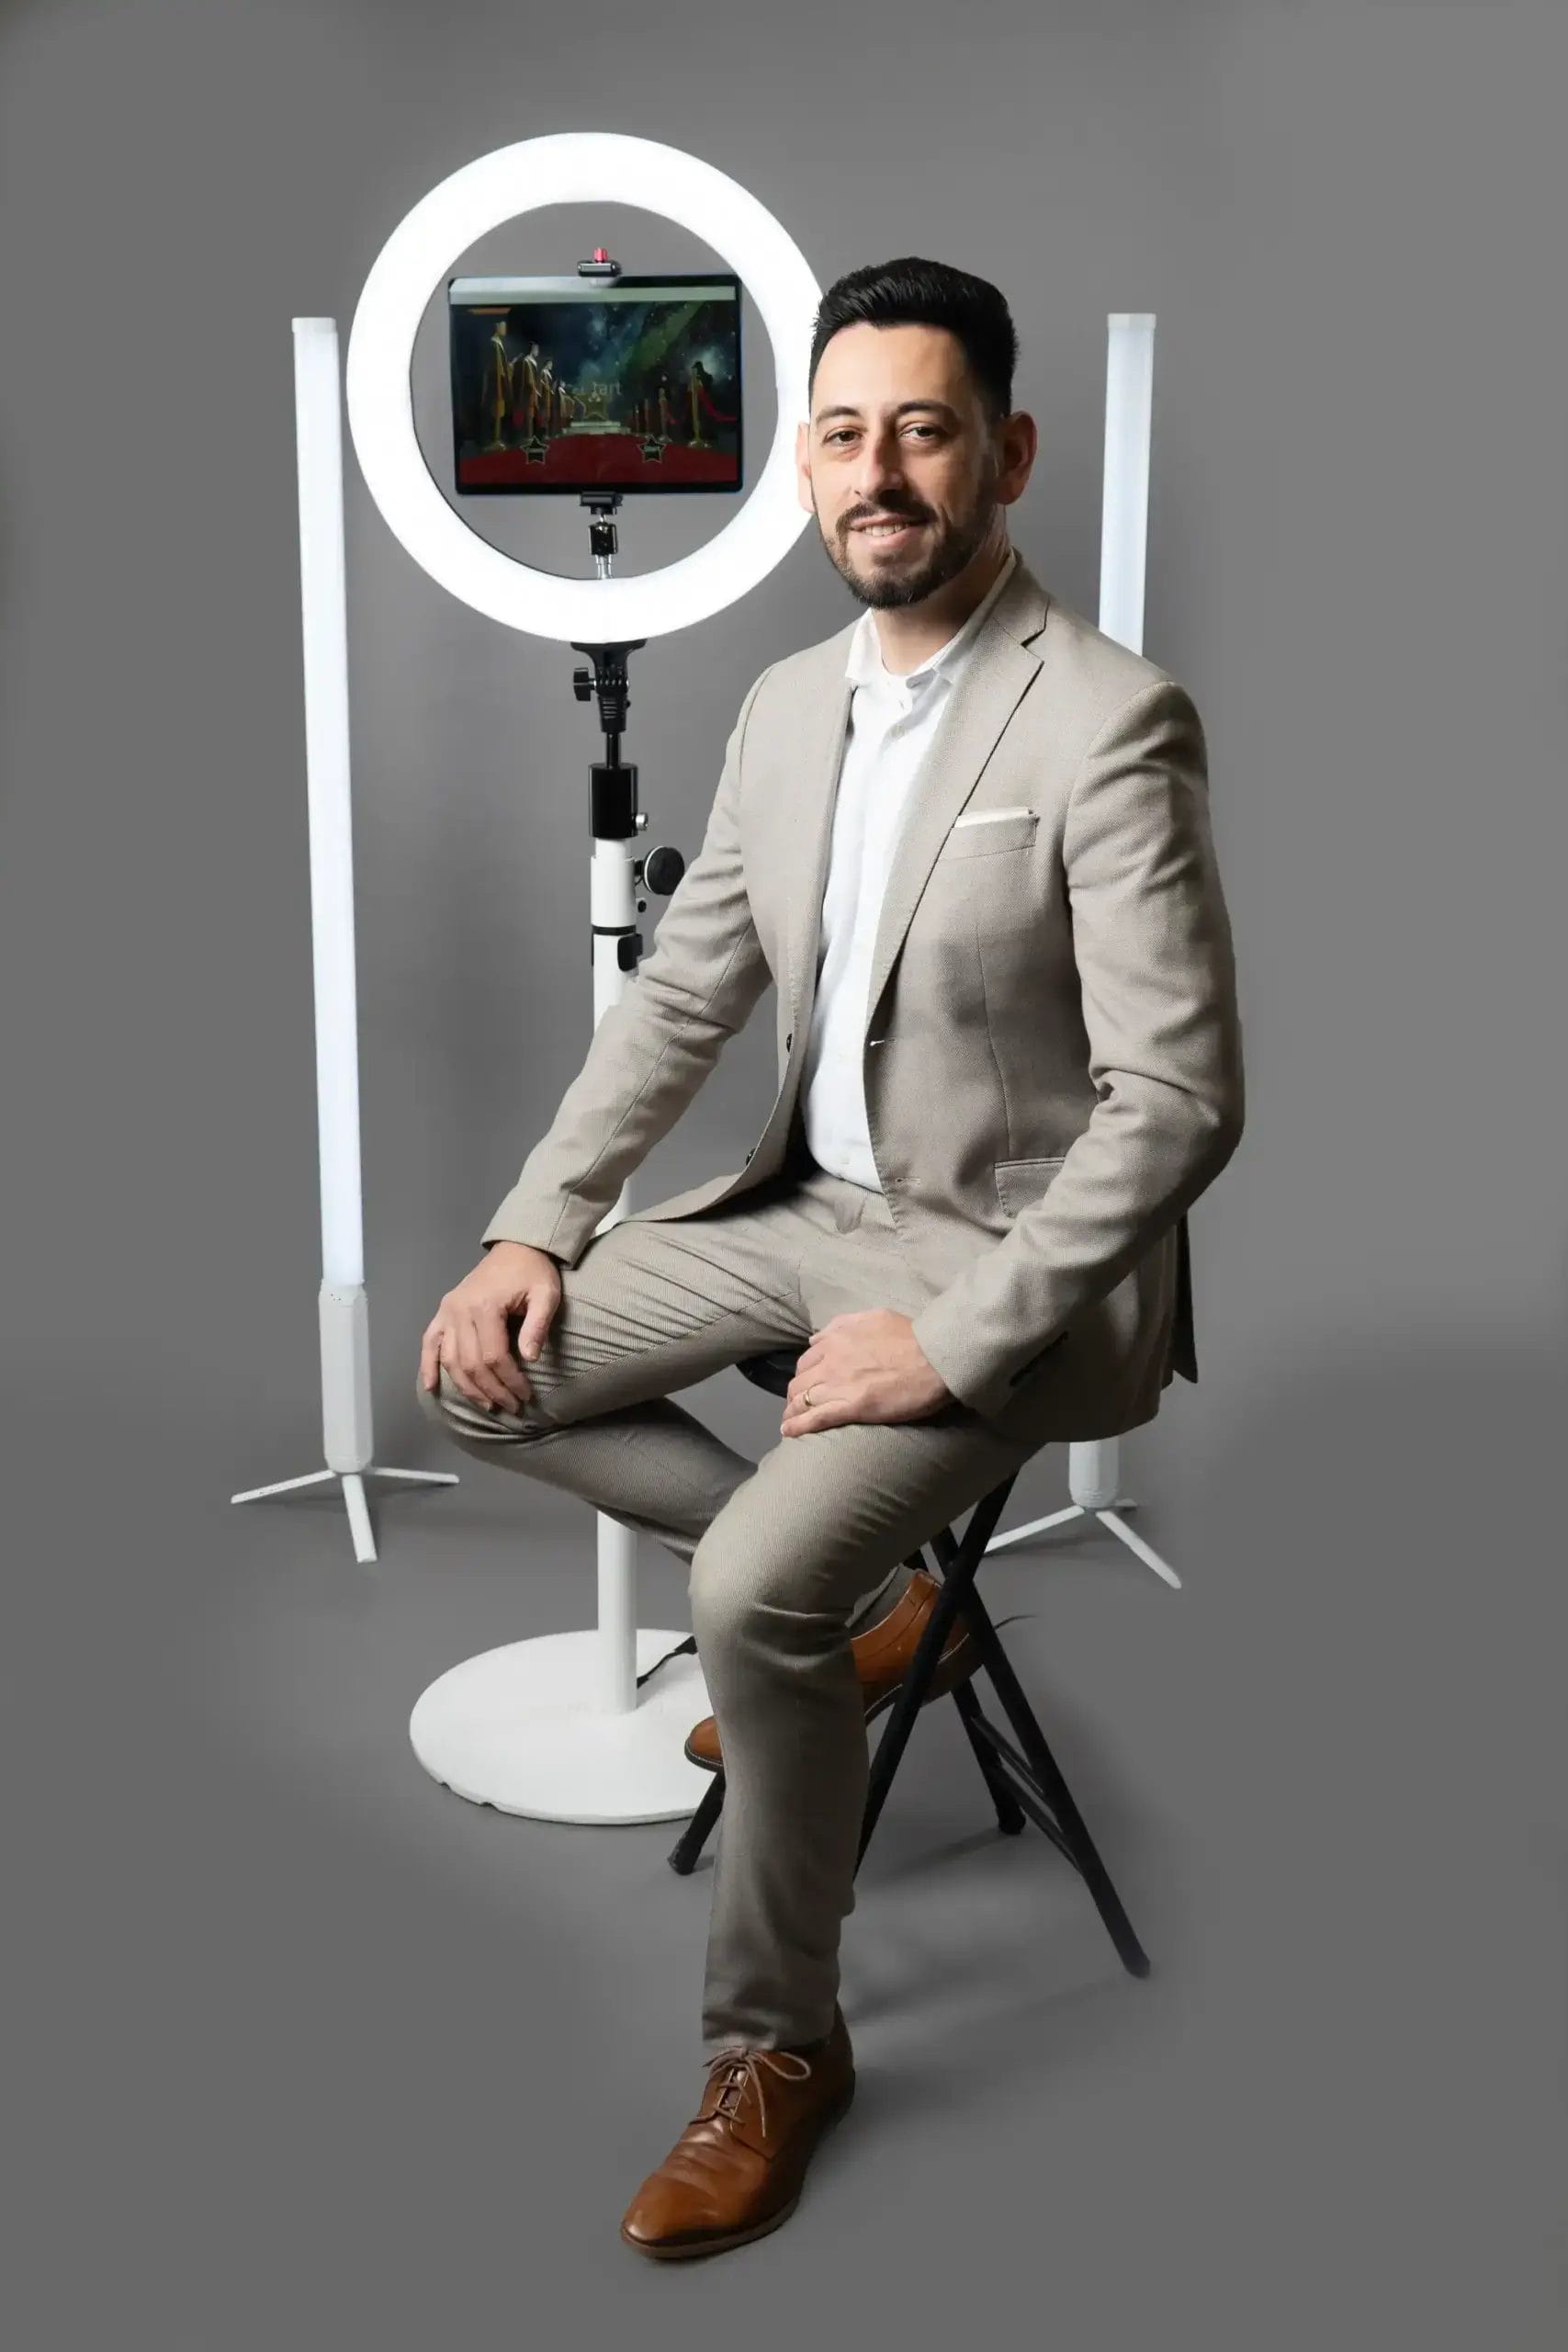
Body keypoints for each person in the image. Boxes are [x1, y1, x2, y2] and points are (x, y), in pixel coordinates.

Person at [416, 255, 1246, 2259]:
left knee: (752, 1577)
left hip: (1009, 1262)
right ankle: (879, 1604)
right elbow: (679, 1005)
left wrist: (947, 1336)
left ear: (1005, 453)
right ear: (804, 459)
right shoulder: (788, 705)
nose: (881, 472)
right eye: (845, 432)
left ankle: (775, 2044)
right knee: (464, 1376)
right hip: (801, 1215)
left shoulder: (1110, 716)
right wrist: (531, 1220)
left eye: (925, 428)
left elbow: (1179, 1098)